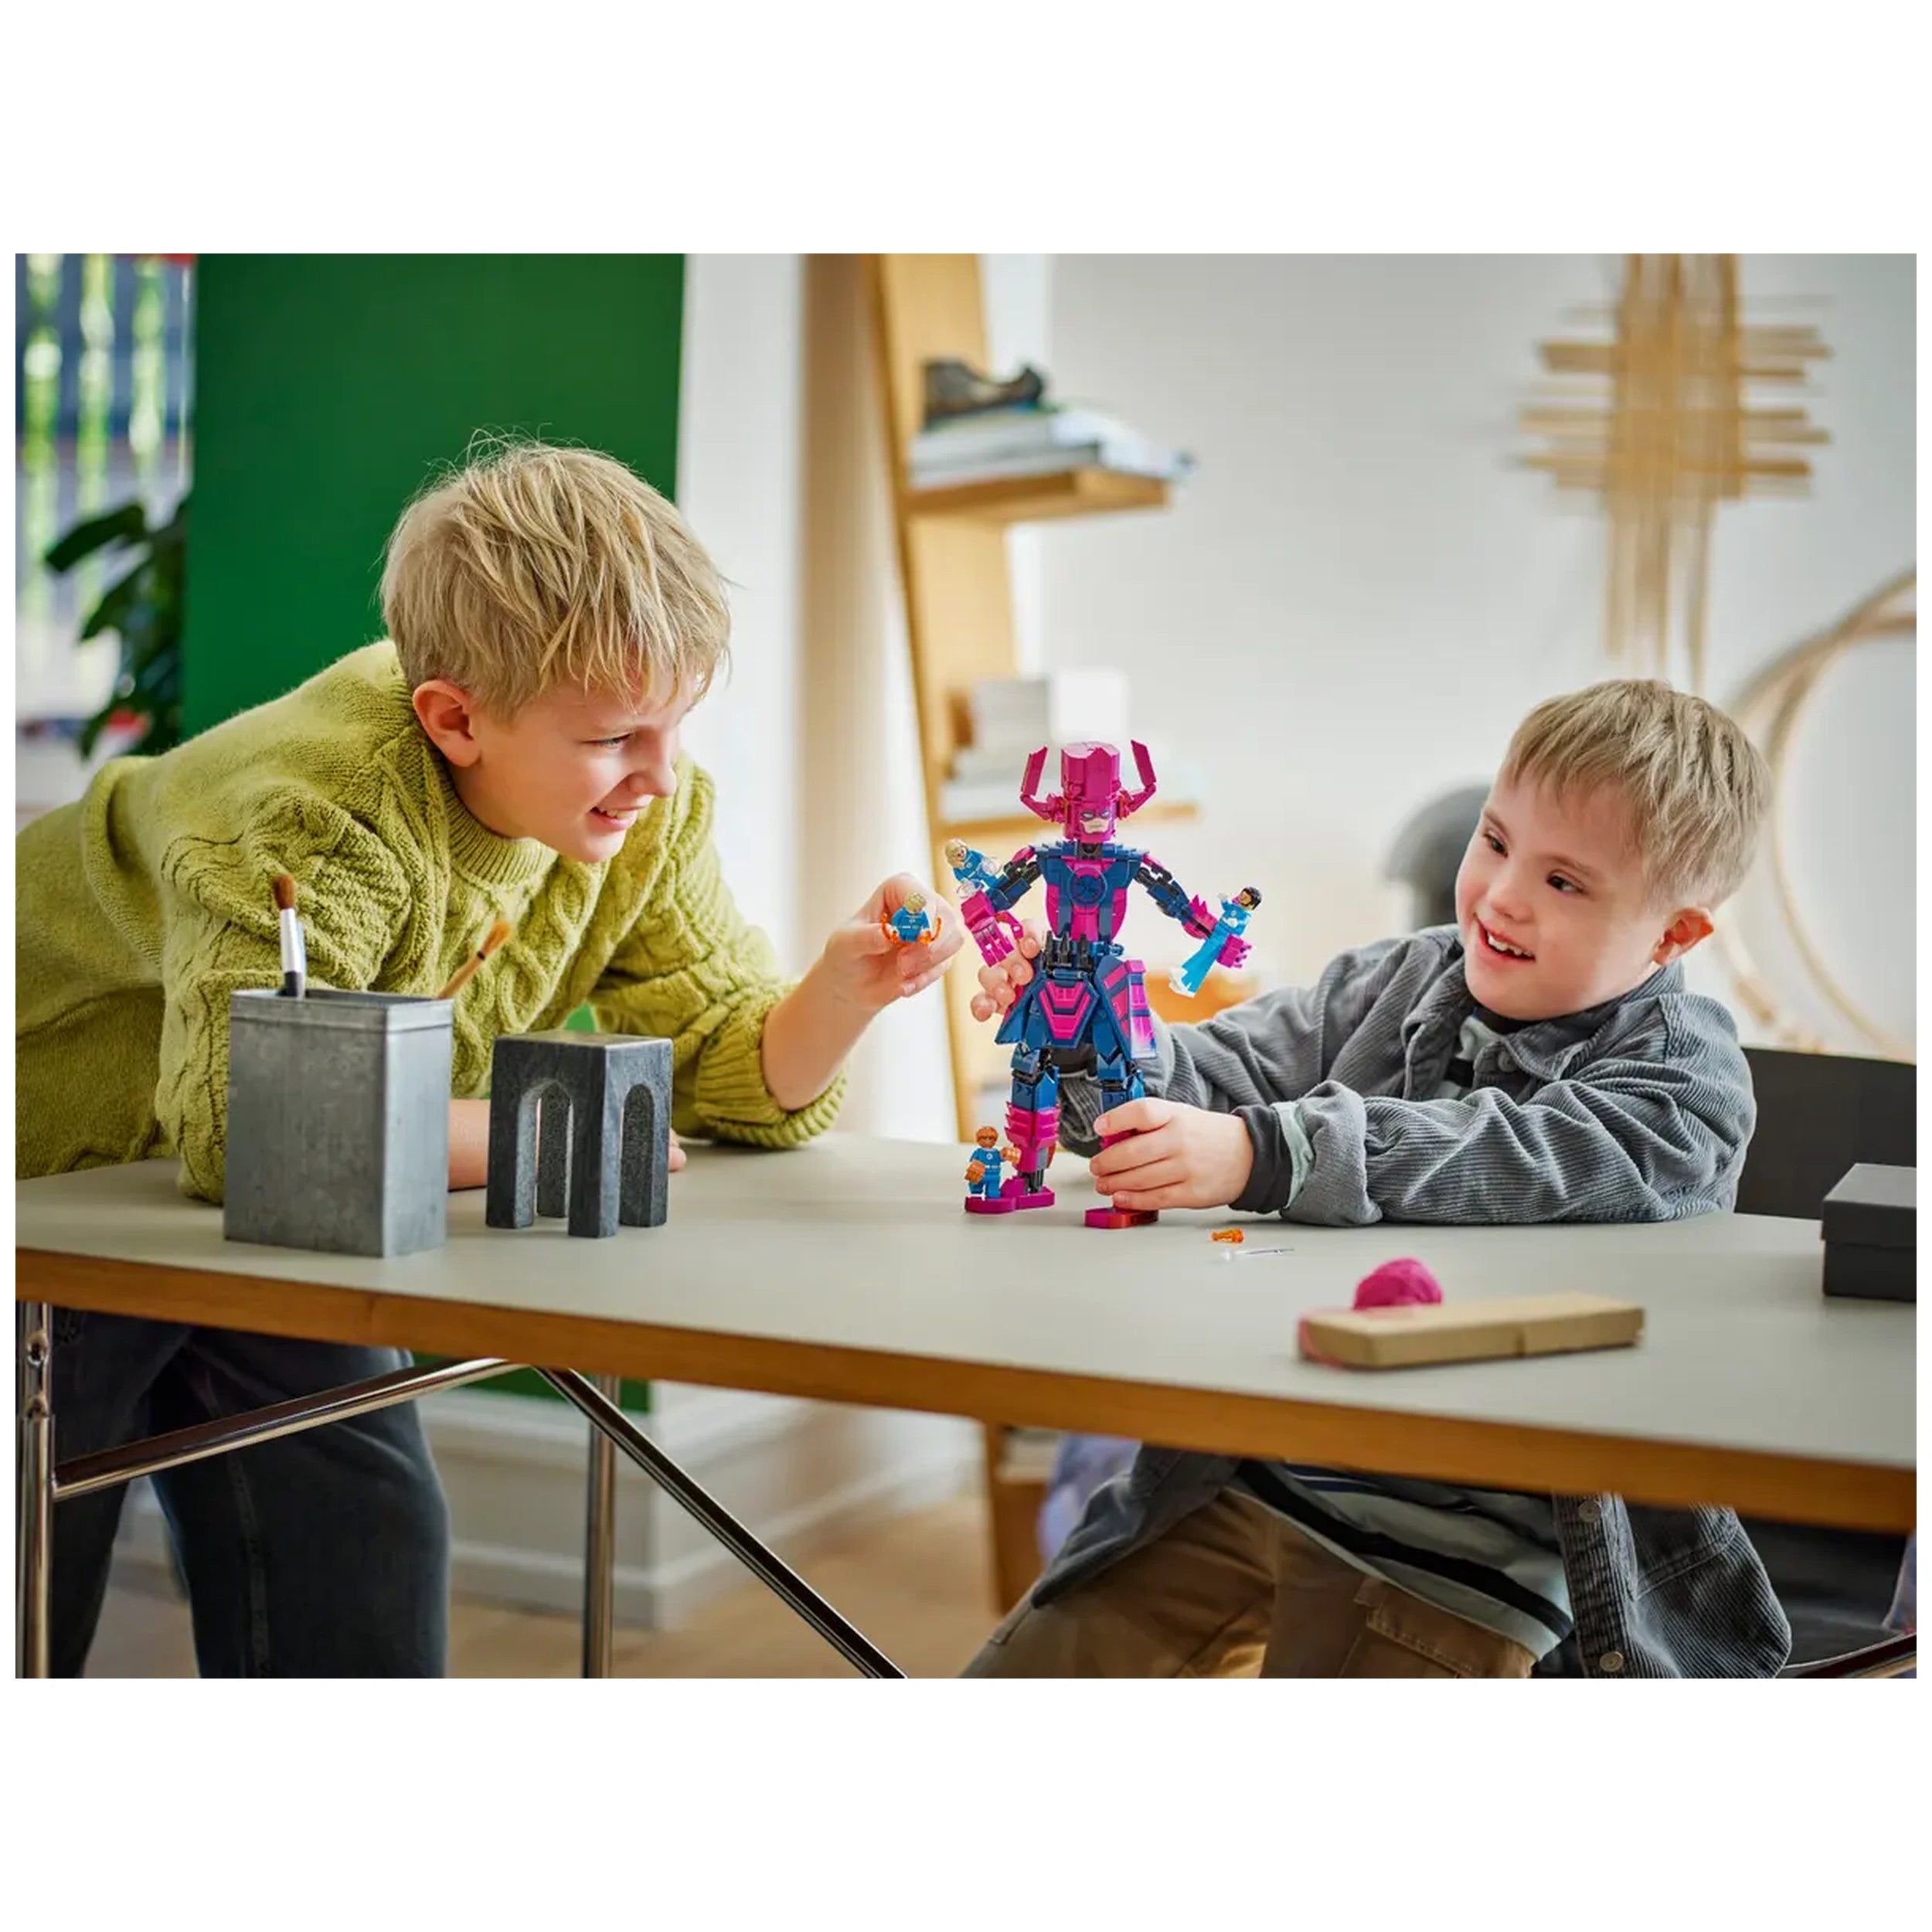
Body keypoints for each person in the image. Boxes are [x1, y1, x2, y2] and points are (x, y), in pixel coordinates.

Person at [15, 438, 962, 1676]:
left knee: (366, 1542)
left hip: (280, 1213)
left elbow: (732, 1071)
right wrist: (549, 1129)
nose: (660, 777)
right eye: (617, 735)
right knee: (37, 1570)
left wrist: (841, 993)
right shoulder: (314, 813)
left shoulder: (644, 814)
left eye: (676, 724)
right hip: (54, 1183)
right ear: (454, 720)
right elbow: (253, 1120)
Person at [962, 679, 1791, 1679]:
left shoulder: (1685, 1081)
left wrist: (1264, 1152)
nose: (1503, 895)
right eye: (1495, 841)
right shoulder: (1389, 983)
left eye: (1565, 882)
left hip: (1481, 1550)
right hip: (1256, 1471)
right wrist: (1091, 1031)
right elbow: (1210, 1076)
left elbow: (1508, 1156)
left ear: (1674, 935)